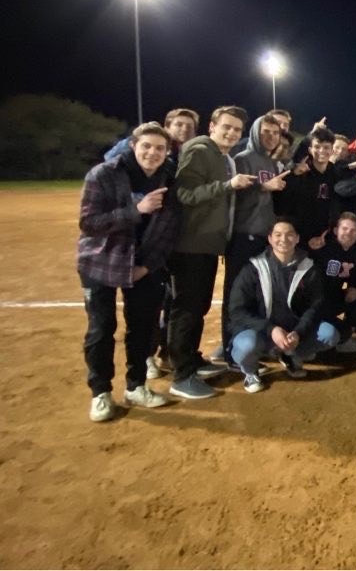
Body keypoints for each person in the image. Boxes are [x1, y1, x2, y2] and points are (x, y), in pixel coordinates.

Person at [78, 122, 179, 421]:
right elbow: (89, 223)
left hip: (144, 265)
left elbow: (169, 230)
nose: (153, 152)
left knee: (142, 327)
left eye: (160, 148)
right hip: (100, 262)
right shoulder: (104, 174)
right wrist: (138, 210)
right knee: (101, 328)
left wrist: (146, 266)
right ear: (133, 145)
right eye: (146, 146)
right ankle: (100, 393)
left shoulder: (170, 179)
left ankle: (136, 386)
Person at [167, 106, 256, 400]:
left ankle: (190, 359)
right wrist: (228, 185)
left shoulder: (220, 155)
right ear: (212, 125)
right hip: (190, 245)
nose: (231, 133)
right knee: (187, 310)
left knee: (198, 306)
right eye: (226, 127)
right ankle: (181, 375)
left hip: (206, 245)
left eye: (237, 130)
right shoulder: (200, 148)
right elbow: (185, 194)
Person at [227, 219, 339, 393]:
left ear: (297, 239)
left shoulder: (308, 268)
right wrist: (270, 329)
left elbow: (315, 306)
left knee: (329, 334)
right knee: (246, 345)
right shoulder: (253, 268)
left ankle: (289, 354)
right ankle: (250, 371)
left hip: (292, 333)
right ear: (270, 239)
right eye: (278, 235)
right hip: (260, 334)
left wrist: (299, 332)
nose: (284, 239)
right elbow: (236, 311)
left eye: (289, 235)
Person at [221, 114, 290, 362]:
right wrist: (263, 187)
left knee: (260, 294)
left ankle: (256, 345)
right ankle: (230, 350)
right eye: (265, 131)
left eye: (274, 132)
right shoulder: (242, 159)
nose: (270, 136)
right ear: (254, 133)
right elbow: (232, 198)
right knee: (235, 294)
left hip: (263, 238)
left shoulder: (272, 163)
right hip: (243, 236)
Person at [311, 212, 356, 357]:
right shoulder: (323, 249)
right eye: (345, 229)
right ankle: (319, 343)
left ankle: (344, 339)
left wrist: (354, 288)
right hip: (320, 298)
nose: (349, 233)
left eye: (353, 230)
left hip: (341, 294)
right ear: (336, 230)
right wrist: (312, 248)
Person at [278, 127, 340, 252]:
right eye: (317, 147)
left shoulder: (337, 174)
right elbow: (283, 204)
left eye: (326, 147)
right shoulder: (298, 173)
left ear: (332, 150)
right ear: (310, 150)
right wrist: (293, 176)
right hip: (298, 239)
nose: (321, 151)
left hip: (325, 238)